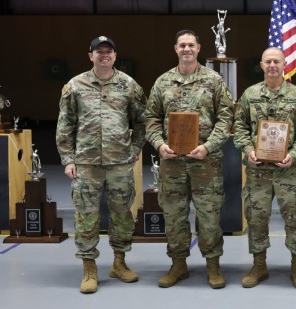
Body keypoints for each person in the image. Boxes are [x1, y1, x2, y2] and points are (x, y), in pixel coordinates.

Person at [56, 36, 147, 294]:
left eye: (109, 51)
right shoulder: (75, 86)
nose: (104, 55)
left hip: (120, 164)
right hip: (86, 164)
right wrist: (68, 159)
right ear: (91, 56)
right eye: (99, 52)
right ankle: (89, 269)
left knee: (122, 215)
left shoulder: (129, 85)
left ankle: (119, 263)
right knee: (87, 217)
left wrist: (136, 148)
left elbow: (141, 122)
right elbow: (65, 126)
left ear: (115, 56)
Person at [144, 29, 233, 289]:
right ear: (175, 49)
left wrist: (208, 146)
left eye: (191, 45)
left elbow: (226, 118)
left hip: (205, 162)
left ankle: (213, 265)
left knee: (209, 215)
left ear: (199, 48)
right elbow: (150, 119)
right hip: (172, 164)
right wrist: (160, 145)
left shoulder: (214, 80)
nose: (186, 49)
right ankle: (178, 264)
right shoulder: (162, 82)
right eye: (182, 45)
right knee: (173, 215)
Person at [233, 47, 296, 289]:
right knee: (256, 218)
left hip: (289, 171)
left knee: (295, 218)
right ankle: (259, 265)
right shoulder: (250, 95)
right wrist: (249, 150)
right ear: (261, 64)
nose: (273, 65)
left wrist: (294, 155)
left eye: (277, 61)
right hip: (259, 173)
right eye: (268, 61)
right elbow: (239, 129)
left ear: (284, 63)